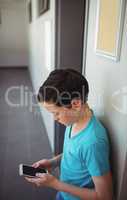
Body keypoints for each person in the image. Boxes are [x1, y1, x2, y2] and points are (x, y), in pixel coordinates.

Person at [25, 69, 113, 200]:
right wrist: (52, 162)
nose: (55, 118)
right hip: (64, 193)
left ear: (76, 104)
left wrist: (55, 184)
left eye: (56, 113)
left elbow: (104, 196)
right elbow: (74, 154)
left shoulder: (93, 143)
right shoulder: (74, 121)